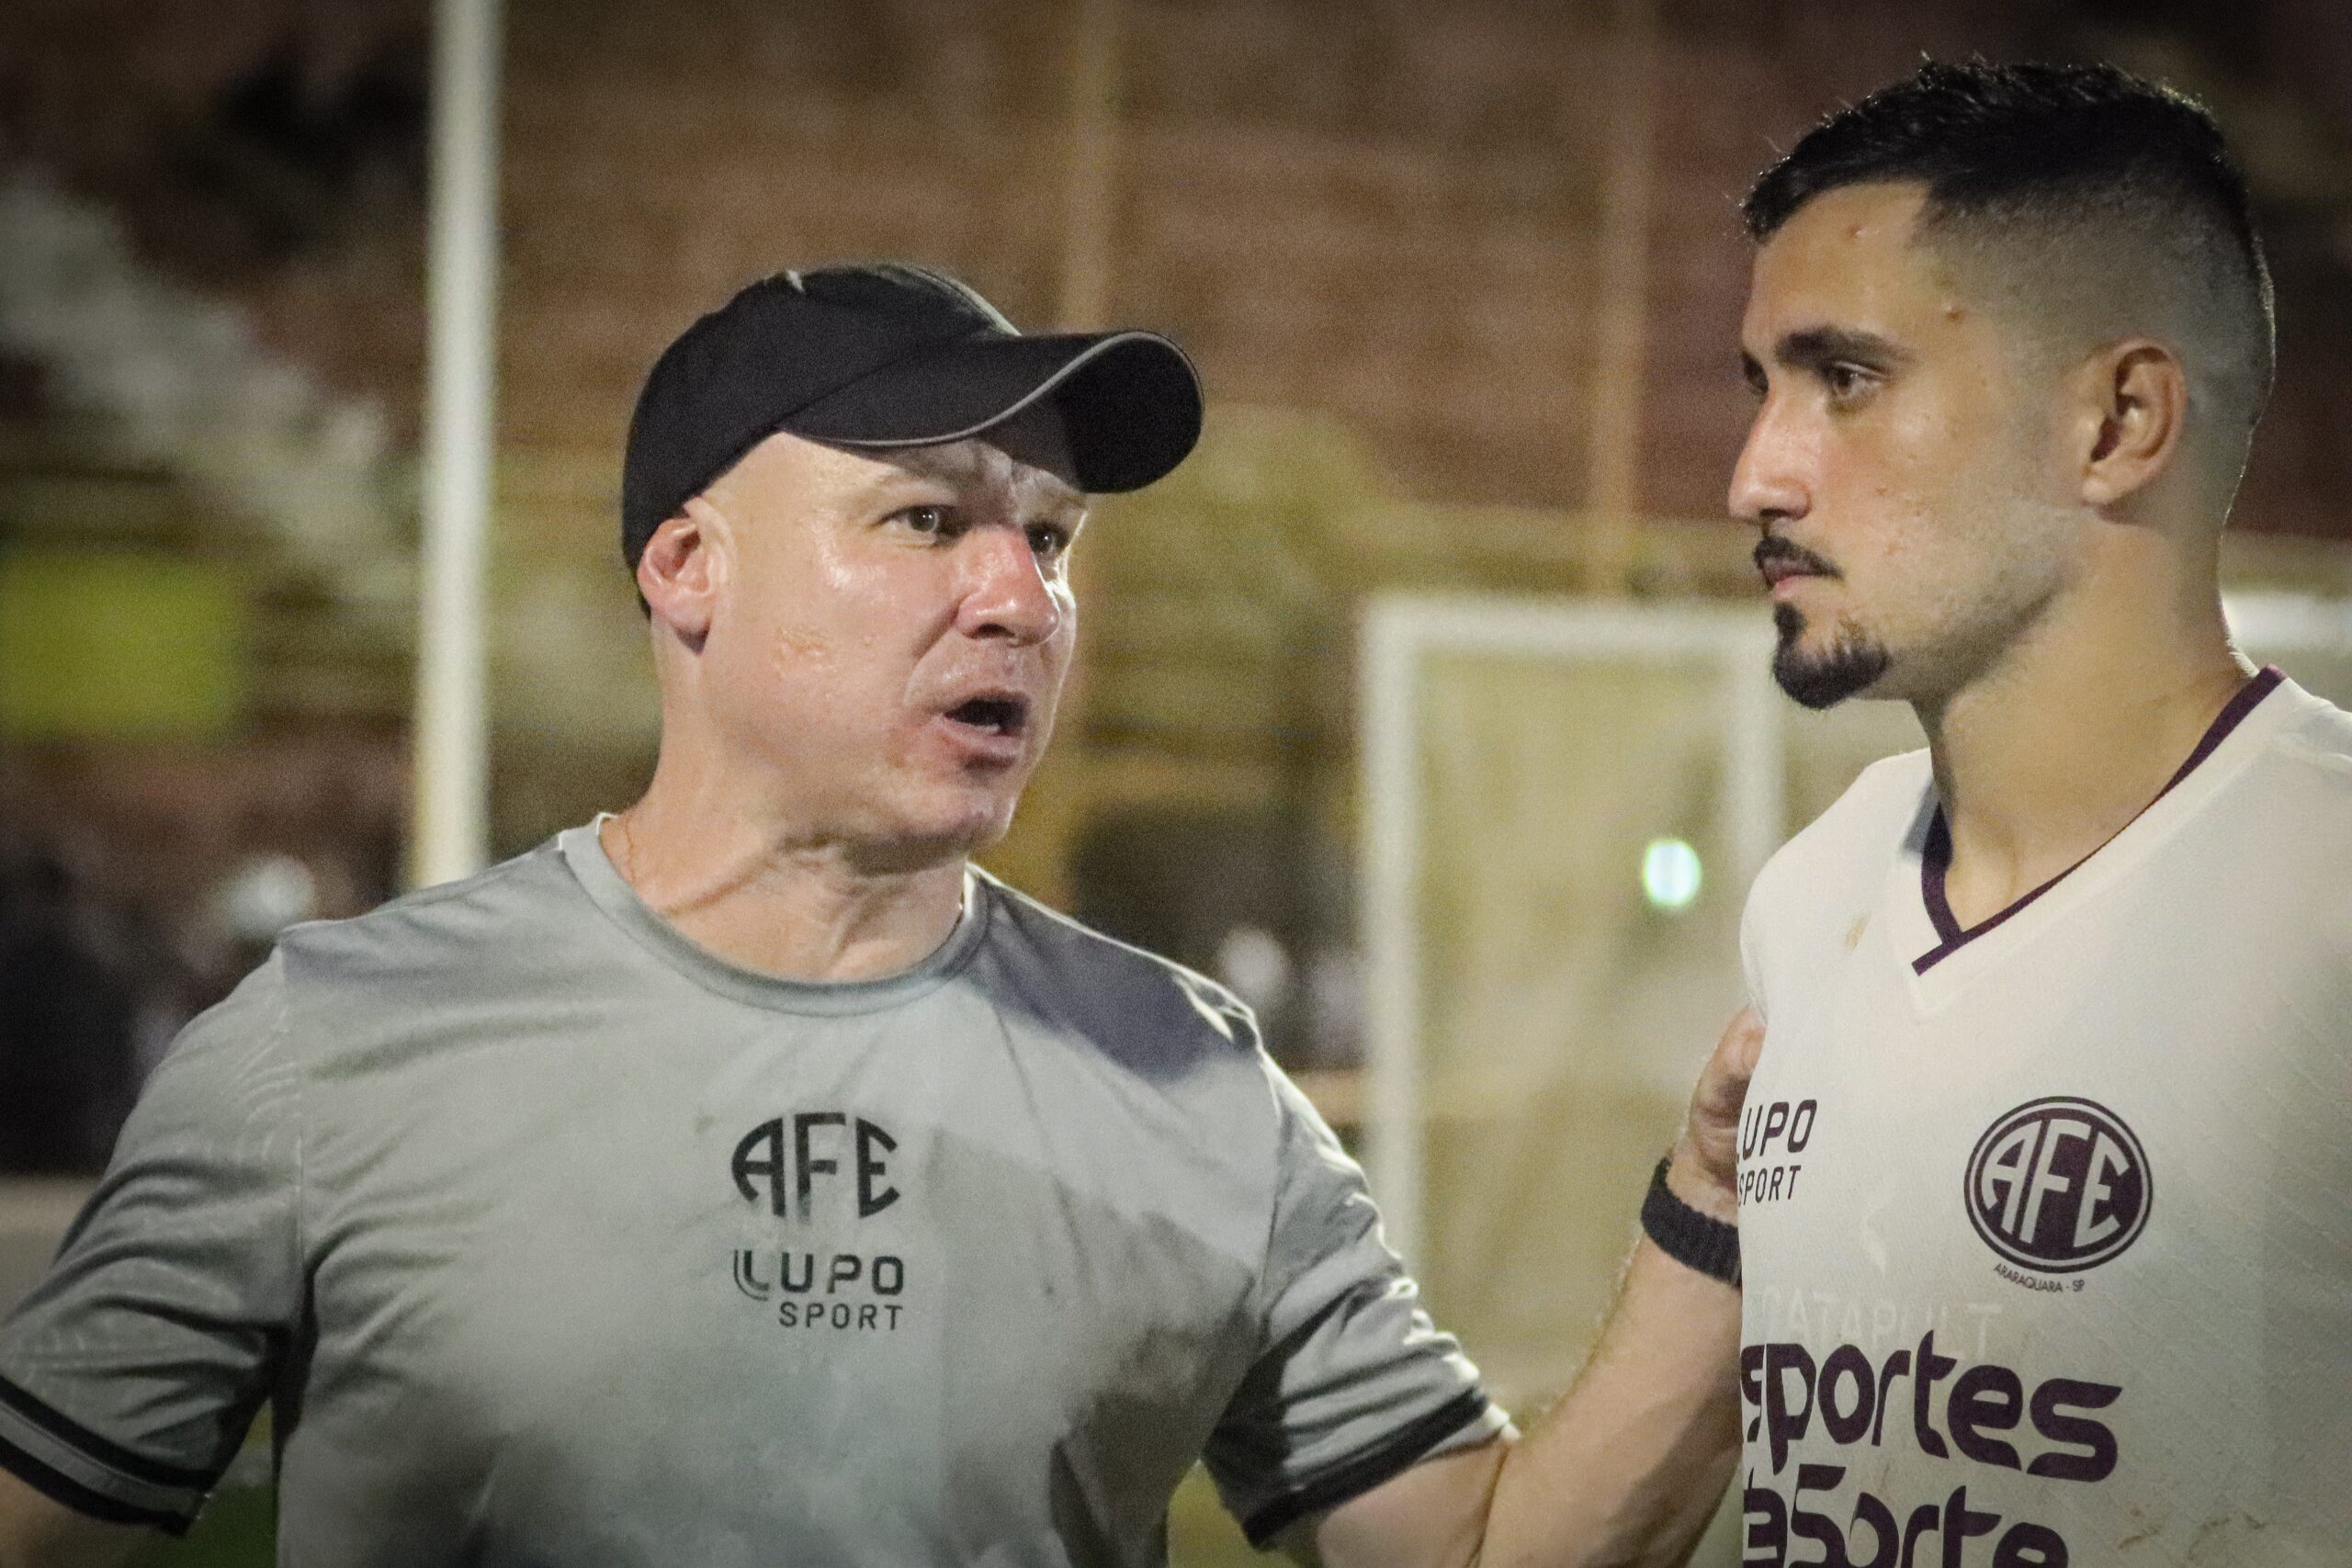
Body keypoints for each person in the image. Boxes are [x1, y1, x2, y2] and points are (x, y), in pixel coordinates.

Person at [0, 262, 1758, 1567]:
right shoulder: (336, 1048)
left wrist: (1718, 1206)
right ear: (686, 568)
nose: (1020, 600)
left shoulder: (1193, 1087)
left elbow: (1481, 1554)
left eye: (1049, 541)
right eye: (927, 518)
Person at [1727, 61, 2352, 1567]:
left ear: (2118, 422)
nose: (1756, 477)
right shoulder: (1814, 896)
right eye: (1763, 389)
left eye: (1846, 379)